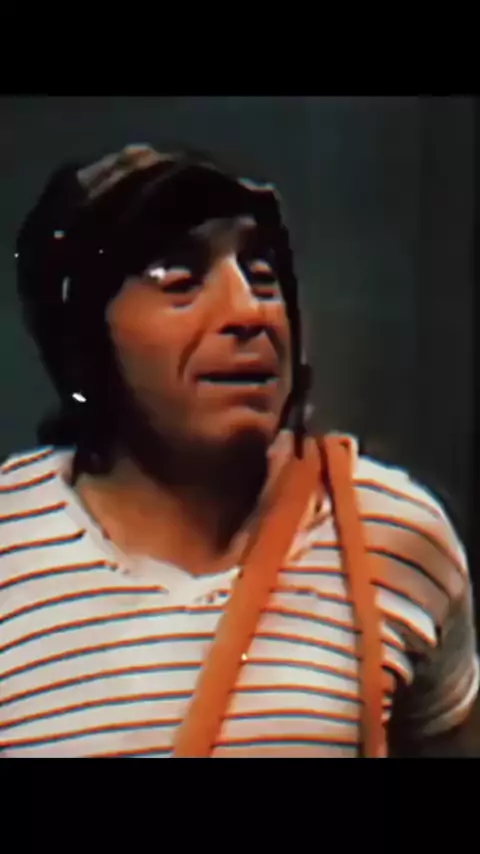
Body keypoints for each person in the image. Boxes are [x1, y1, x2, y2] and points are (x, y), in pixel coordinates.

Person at [0, 143, 477, 758]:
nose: (249, 312)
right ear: (84, 336)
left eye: (262, 275)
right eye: (179, 280)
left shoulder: (393, 535)